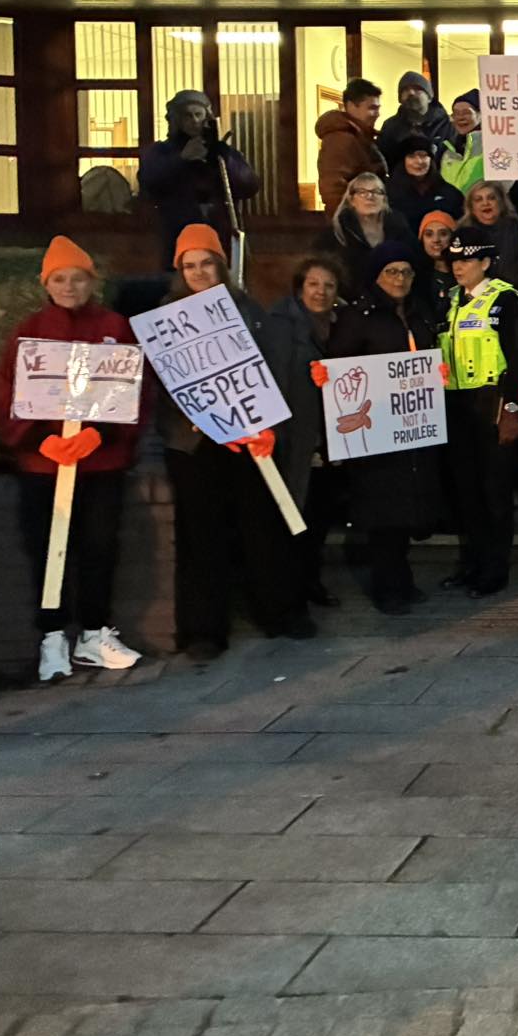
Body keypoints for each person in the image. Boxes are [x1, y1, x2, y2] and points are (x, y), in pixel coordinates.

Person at [0, 236, 147, 681]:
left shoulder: (116, 326)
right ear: (47, 284)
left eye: (78, 278)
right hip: (44, 466)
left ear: (91, 281)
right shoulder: (29, 330)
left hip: (100, 464)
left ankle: (94, 633)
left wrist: (101, 433)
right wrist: (38, 443)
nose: (69, 286)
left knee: (99, 547)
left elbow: (133, 390)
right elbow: (6, 395)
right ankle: (51, 636)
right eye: (60, 278)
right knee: (47, 550)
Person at [155, 225, 311, 657]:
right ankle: (204, 629)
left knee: (263, 528)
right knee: (201, 535)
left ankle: (279, 611)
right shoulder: (166, 318)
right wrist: (203, 423)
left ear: (222, 266)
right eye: (191, 265)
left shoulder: (250, 311)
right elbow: (165, 387)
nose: (200, 272)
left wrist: (268, 428)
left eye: (207, 263)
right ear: (179, 270)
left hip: (249, 438)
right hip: (195, 444)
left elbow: (271, 373)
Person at [326, 243, 446, 614]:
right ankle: (387, 588)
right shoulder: (359, 317)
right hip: (375, 429)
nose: (399, 279)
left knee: (407, 508)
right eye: (391, 272)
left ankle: (402, 580)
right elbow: (342, 369)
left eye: (406, 272)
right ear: (376, 276)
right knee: (383, 513)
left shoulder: (419, 312)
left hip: (412, 428)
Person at [437, 228, 518, 599]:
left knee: (494, 491)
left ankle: (494, 569)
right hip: (457, 405)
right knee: (466, 491)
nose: (458, 267)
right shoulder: (449, 300)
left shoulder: (504, 299)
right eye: (454, 261)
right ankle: (472, 562)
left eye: (465, 261)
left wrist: (512, 408)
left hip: (492, 401)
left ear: (484, 262)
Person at [267, 254, 346, 613]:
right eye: (313, 284)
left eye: (329, 285)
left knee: (318, 517)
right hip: (295, 438)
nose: (321, 291)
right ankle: (291, 590)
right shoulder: (281, 325)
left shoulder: (341, 324)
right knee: (293, 517)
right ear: (300, 287)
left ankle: (310, 581)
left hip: (332, 439)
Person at [137, 89, 261, 269]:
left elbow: (249, 185)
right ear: (177, 120)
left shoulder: (222, 152)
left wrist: (223, 158)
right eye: (188, 116)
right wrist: (181, 160)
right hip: (178, 231)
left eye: (198, 115)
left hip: (220, 232)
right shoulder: (161, 151)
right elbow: (149, 181)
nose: (194, 120)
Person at [318, 171, 415, 300]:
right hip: (350, 304)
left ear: (384, 199)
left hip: (395, 301)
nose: (370, 196)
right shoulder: (336, 233)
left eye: (376, 192)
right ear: (351, 200)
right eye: (362, 192)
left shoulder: (400, 229)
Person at [316, 78, 386, 212]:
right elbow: (334, 192)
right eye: (372, 108)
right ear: (351, 106)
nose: (377, 114)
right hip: (355, 221)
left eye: (378, 108)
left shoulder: (360, 137)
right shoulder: (340, 139)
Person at [387, 133, 464, 229]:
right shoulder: (390, 193)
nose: (419, 161)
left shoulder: (449, 193)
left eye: (423, 155)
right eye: (412, 156)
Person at [376, 70, 453, 164]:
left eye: (417, 89)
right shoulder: (390, 127)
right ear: (400, 98)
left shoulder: (448, 125)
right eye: (405, 90)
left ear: (429, 97)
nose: (411, 93)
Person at [416, 210, 459, 326]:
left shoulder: (466, 273)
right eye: (429, 234)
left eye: (443, 234)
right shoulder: (416, 277)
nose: (436, 240)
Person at [440, 91, 485, 194]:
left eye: (466, 112)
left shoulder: (491, 146)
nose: (460, 118)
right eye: (456, 113)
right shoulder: (449, 150)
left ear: (480, 115)